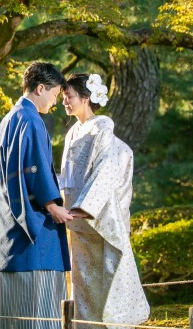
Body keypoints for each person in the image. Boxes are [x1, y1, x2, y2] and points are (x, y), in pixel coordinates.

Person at [0, 62, 73, 329]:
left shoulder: (11, 118)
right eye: (55, 95)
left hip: (5, 228)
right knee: (37, 310)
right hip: (30, 234)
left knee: (8, 315)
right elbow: (34, 168)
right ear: (40, 88)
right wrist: (52, 206)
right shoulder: (31, 120)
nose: (55, 103)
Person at [59, 73, 150, 329]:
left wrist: (85, 207)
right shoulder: (73, 132)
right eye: (64, 96)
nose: (64, 101)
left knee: (105, 276)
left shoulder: (102, 128)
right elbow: (68, 176)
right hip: (75, 217)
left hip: (95, 217)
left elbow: (106, 169)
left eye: (69, 96)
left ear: (86, 98)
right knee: (81, 280)